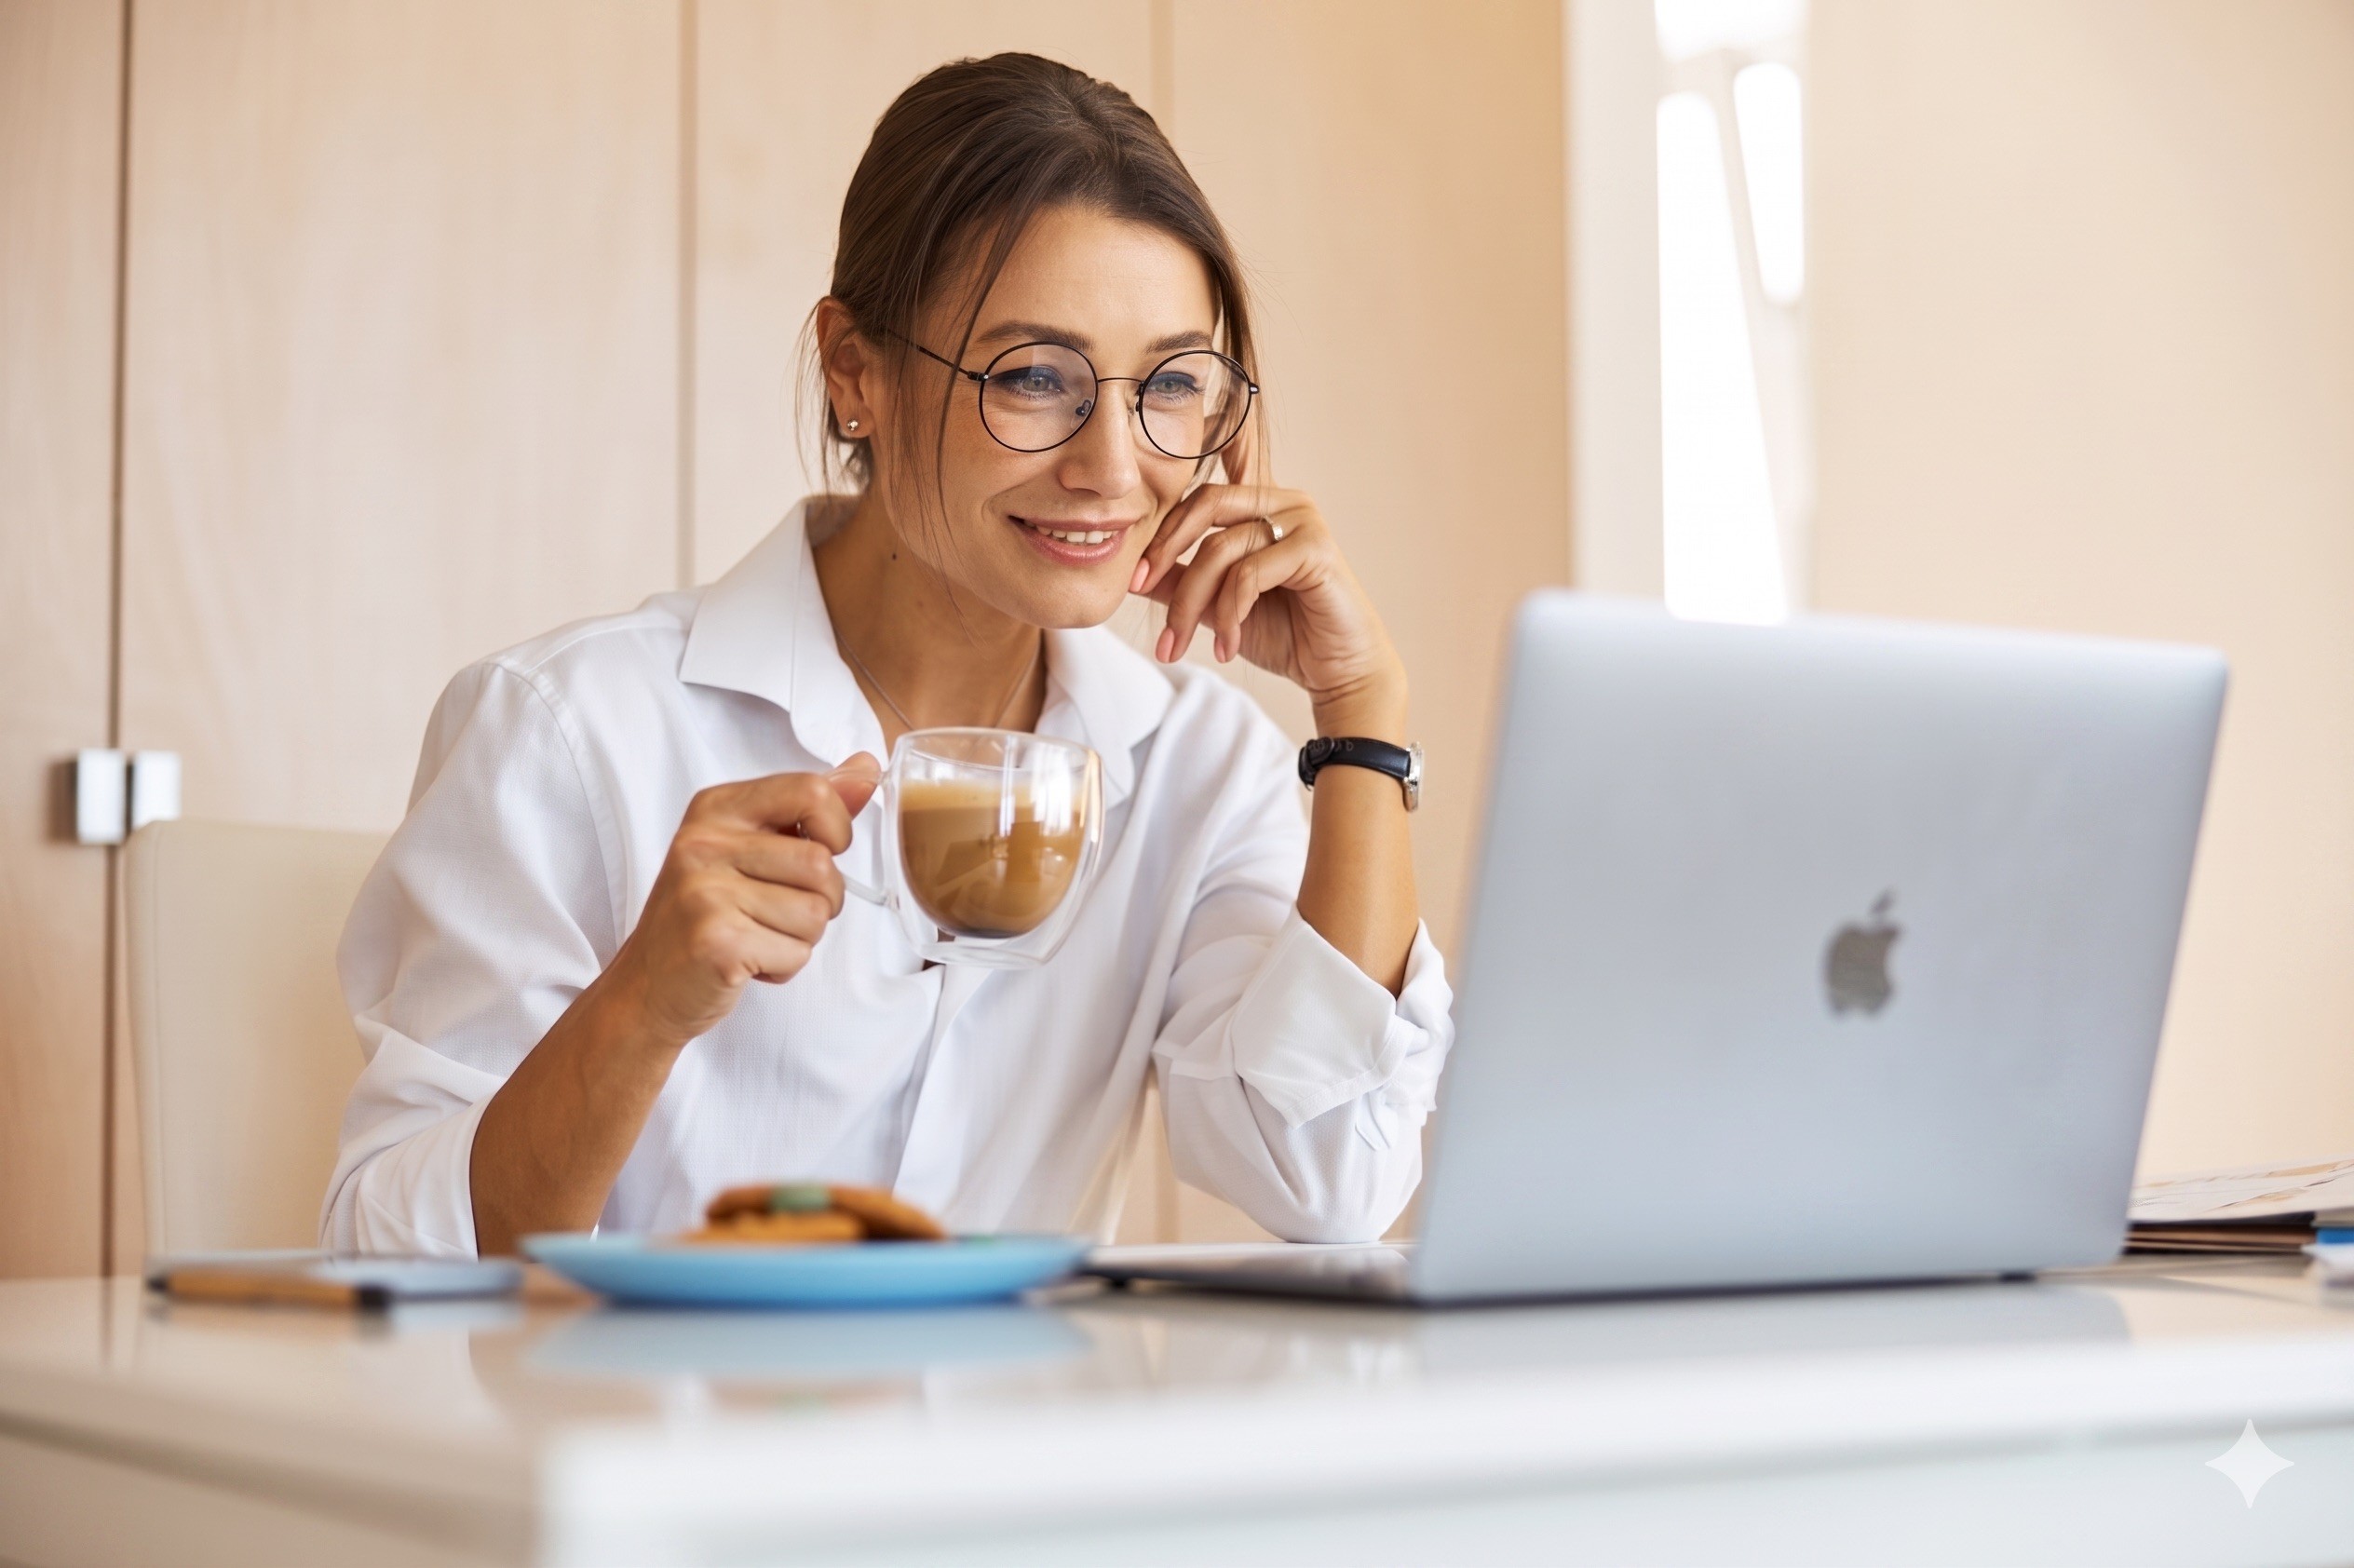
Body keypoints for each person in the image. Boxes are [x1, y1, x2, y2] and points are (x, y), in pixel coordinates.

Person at [321, 53, 1453, 1258]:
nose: (1115, 468)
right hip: (637, 1387)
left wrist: (1361, 720)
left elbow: (1330, 1181)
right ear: (855, 372)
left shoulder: (1198, 766)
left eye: (1171, 384)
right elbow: (388, 1250)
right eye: (1035, 377)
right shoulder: (567, 731)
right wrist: (640, 1006)